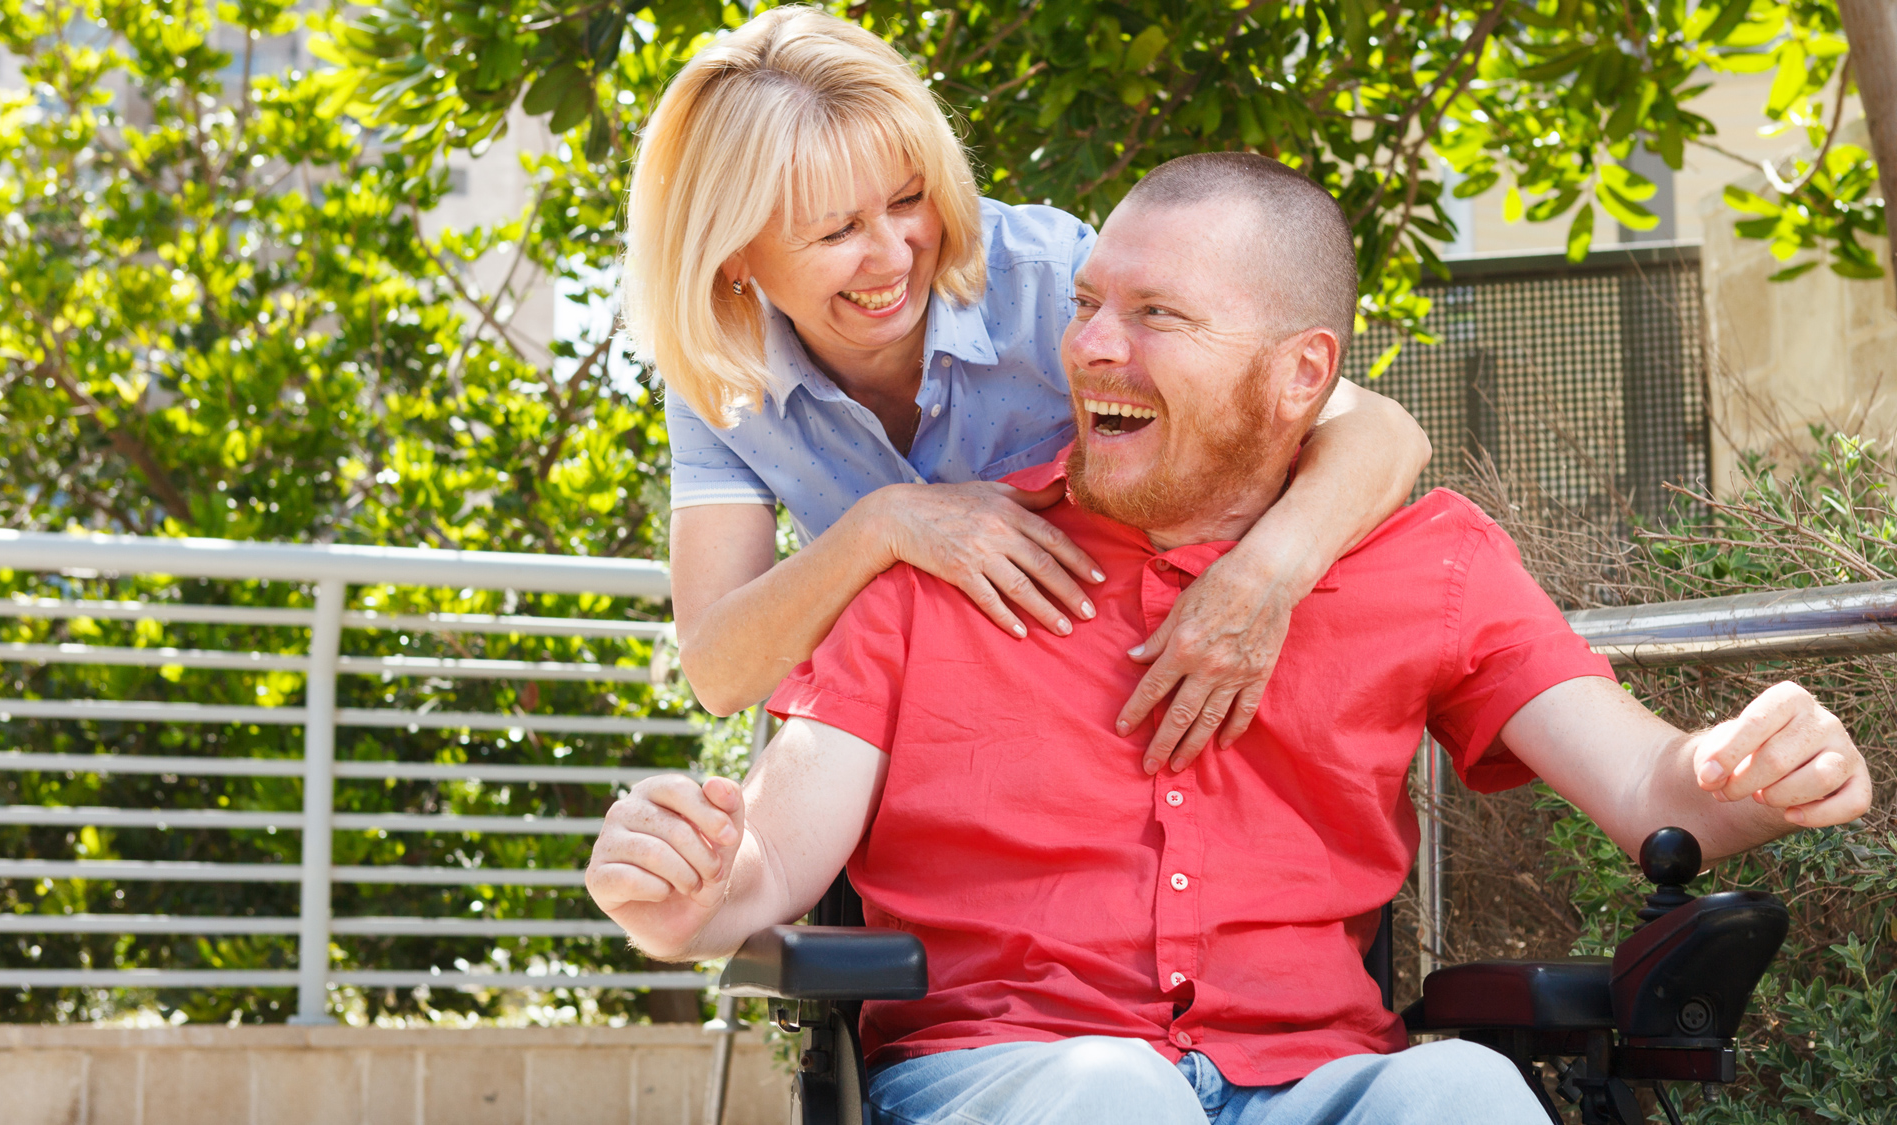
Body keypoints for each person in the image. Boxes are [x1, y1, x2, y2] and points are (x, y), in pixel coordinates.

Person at [589, 153, 1873, 1124]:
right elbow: (759, 868)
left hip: (1317, 1075)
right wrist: (678, 891)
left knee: (1465, 1095)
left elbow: (1657, 791)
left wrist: (1748, 773)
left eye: (1156, 317)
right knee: (1115, 1094)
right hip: (1018, 1079)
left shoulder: (1422, 564)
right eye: (1087, 303)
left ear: (1302, 375)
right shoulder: (931, 568)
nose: (1088, 346)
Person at [625, 7, 1434, 771]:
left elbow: (1383, 433)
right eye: (836, 231)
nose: (894, 254)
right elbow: (719, 669)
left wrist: (1263, 577)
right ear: (733, 254)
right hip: (910, 755)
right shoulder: (721, 371)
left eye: (909, 200)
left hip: (1127, 719)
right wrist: (886, 525)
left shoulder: (1048, 281)